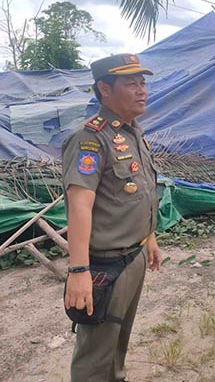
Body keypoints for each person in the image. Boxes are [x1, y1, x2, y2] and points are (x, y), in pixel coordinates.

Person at [62, 53, 162, 382]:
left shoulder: (134, 133)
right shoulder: (91, 139)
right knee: (95, 356)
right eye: (131, 83)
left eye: (143, 82)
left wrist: (149, 237)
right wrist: (78, 270)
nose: (142, 90)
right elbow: (79, 205)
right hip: (105, 265)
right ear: (105, 88)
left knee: (118, 342)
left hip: (133, 256)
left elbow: (136, 193)